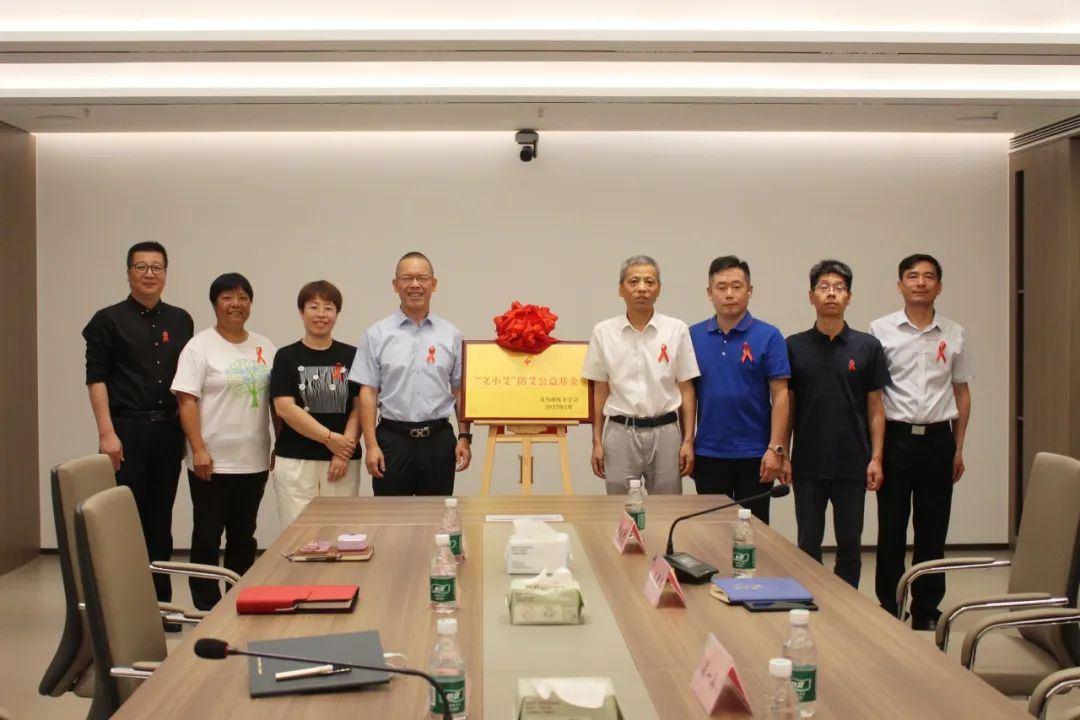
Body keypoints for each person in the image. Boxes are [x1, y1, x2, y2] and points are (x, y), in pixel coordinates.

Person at [82, 241, 193, 603]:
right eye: (141, 267)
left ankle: (160, 602)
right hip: (126, 430)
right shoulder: (107, 320)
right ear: (128, 272)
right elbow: (96, 379)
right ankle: (126, 605)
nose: (149, 274)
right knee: (125, 518)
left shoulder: (181, 320)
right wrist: (106, 433)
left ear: (166, 273)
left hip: (167, 430)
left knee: (160, 519)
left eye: (156, 267)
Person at [870, 254, 973, 630]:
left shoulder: (954, 333)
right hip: (896, 439)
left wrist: (958, 448)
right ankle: (889, 604)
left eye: (929, 277)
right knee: (891, 528)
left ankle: (927, 608)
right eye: (912, 276)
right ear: (900, 285)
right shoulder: (880, 330)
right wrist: (875, 453)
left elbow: (961, 392)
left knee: (933, 529)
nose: (920, 282)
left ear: (939, 287)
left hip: (938, 441)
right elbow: (874, 395)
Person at [171, 273, 277, 610]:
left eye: (243, 297)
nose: (236, 304)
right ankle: (206, 604)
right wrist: (198, 449)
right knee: (207, 534)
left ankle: (238, 599)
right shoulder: (199, 346)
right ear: (215, 303)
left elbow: (276, 402)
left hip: (253, 459)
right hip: (211, 460)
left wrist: (279, 444)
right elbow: (186, 401)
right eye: (227, 297)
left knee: (243, 536)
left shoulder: (265, 346)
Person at [784, 259, 889, 589]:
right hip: (808, 464)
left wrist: (876, 458)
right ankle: (811, 603)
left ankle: (848, 608)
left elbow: (876, 408)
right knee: (808, 545)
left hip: (852, 463)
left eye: (839, 288)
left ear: (849, 297)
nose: (831, 293)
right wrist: (783, 453)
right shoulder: (794, 346)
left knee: (850, 546)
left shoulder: (867, 346)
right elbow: (788, 407)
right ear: (811, 296)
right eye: (824, 287)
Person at [350, 252, 472, 496]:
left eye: (422, 278)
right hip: (393, 441)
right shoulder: (376, 334)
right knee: (390, 517)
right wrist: (371, 445)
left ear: (433, 284)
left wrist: (465, 437)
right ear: (395, 285)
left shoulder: (452, 335)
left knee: (436, 515)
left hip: (439, 441)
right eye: (407, 278)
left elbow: (460, 390)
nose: (415, 285)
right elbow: (368, 393)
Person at [582, 254, 699, 495]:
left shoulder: (676, 330)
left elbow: (687, 388)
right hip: (620, 431)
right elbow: (599, 390)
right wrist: (597, 442)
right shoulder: (603, 332)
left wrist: (688, 440)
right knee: (619, 509)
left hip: (666, 431)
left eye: (649, 282)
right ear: (620, 289)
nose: (642, 288)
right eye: (634, 282)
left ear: (659, 289)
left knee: (668, 509)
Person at [689, 255, 790, 521]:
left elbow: (781, 396)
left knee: (754, 530)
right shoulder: (693, 336)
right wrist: (687, 442)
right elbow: (687, 395)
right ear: (709, 292)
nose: (729, 294)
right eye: (721, 287)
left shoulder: (769, 335)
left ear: (750, 290)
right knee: (712, 530)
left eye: (737, 286)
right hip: (709, 452)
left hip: (756, 453)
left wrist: (776, 448)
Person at [269, 280, 362, 527]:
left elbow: (359, 408)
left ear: (337, 313)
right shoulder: (285, 356)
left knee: (342, 534)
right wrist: (329, 439)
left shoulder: (352, 355)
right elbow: (284, 408)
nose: (321, 314)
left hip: (342, 462)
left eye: (328, 308)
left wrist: (343, 452)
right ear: (301, 312)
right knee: (298, 534)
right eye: (313, 307)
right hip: (296, 461)